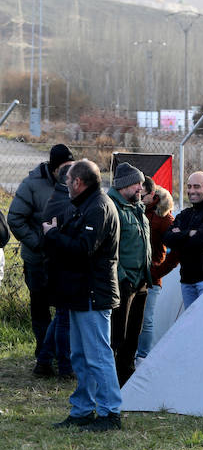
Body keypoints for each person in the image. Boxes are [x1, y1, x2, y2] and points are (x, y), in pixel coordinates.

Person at [43, 159, 123, 431]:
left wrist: (53, 235)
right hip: (79, 293)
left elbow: (82, 249)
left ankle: (111, 413)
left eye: (68, 181)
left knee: (98, 355)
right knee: (80, 354)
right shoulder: (84, 206)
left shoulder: (98, 208)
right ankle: (82, 409)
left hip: (93, 294)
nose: (66, 185)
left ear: (78, 182)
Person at [8, 143, 74, 363]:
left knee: (64, 310)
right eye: (65, 168)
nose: (68, 173)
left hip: (64, 259)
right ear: (54, 168)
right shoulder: (31, 185)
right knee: (40, 307)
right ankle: (43, 354)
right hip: (37, 259)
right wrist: (38, 242)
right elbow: (15, 218)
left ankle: (59, 353)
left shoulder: (75, 184)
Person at [107, 163, 153, 387]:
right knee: (119, 335)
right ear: (124, 184)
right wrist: (122, 277)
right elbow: (108, 247)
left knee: (134, 332)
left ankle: (127, 374)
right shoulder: (113, 208)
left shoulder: (137, 208)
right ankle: (112, 378)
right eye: (137, 183)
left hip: (141, 282)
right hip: (124, 283)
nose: (140, 187)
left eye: (142, 183)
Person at [36, 163, 76, 379]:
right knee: (64, 318)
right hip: (62, 267)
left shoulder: (58, 198)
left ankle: (44, 360)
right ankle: (65, 367)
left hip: (57, 266)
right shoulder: (65, 202)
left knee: (61, 316)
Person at [164, 172, 203, 309]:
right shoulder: (185, 214)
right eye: (189, 186)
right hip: (187, 280)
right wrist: (189, 233)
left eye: (197, 187)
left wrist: (180, 236)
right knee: (191, 326)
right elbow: (167, 238)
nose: (192, 191)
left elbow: (199, 242)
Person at [135, 184, 178, 366]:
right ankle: (132, 353)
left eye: (143, 194)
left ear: (154, 197)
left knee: (147, 319)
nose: (140, 196)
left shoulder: (165, 219)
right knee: (135, 317)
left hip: (152, 276)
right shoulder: (138, 211)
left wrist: (156, 271)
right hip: (135, 274)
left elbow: (175, 250)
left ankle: (143, 356)